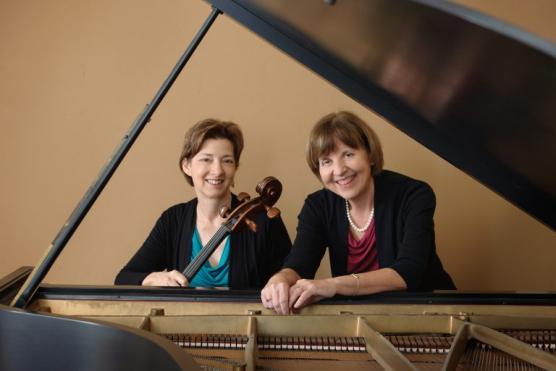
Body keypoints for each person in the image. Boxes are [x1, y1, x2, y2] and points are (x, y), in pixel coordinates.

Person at [261, 111, 455, 314]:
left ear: (370, 155)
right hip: (360, 320)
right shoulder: (317, 206)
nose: (339, 170)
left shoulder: (413, 195)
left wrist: (332, 285)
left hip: (430, 316)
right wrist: (280, 279)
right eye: (326, 161)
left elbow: (408, 272)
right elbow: (299, 266)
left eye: (348, 154)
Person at [115, 118, 291, 289]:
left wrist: (280, 284)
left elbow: (294, 279)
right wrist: (153, 278)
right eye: (206, 159)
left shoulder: (263, 220)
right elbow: (124, 278)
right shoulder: (173, 221)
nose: (217, 170)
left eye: (227, 160)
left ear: (235, 167)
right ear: (187, 166)